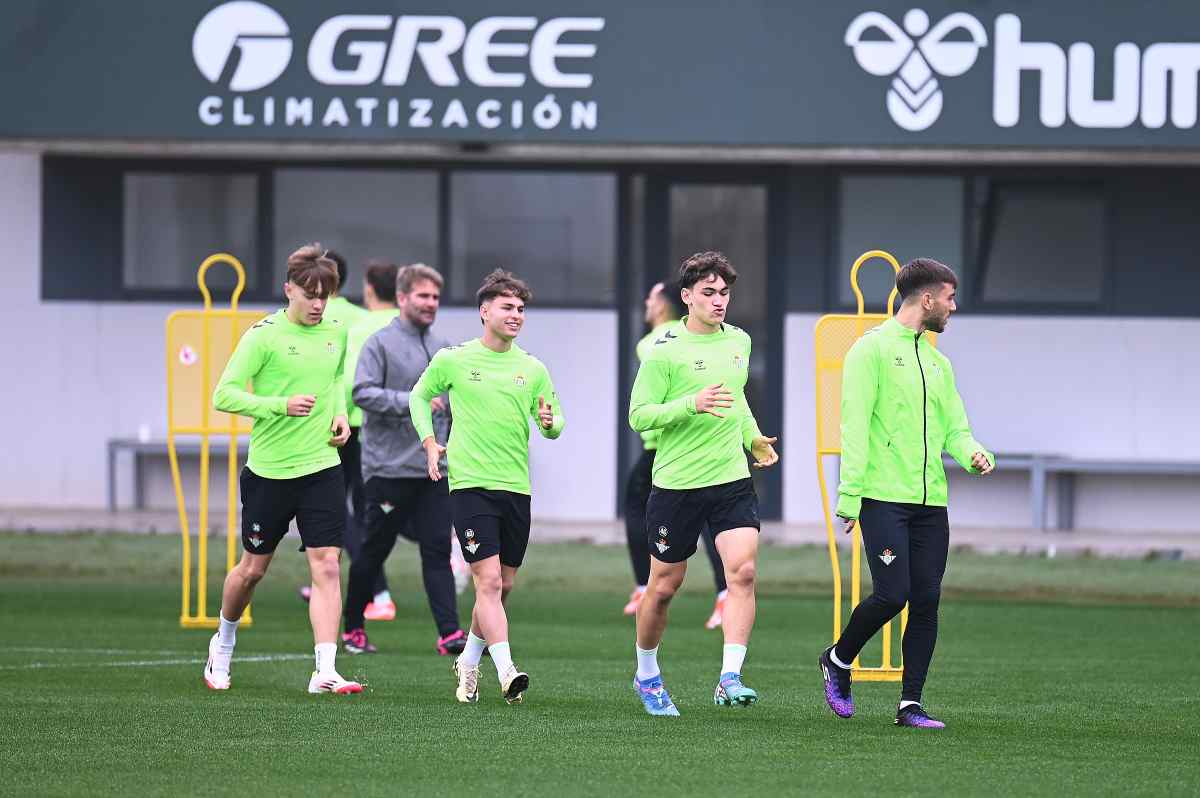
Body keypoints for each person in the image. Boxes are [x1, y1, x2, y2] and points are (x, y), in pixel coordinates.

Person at [819, 257, 993, 730]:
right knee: (893, 594)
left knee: (928, 598)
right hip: (881, 497)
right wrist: (849, 497)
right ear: (928, 298)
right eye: (950, 298)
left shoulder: (938, 363)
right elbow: (853, 426)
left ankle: (909, 704)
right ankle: (838, 658)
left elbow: (955, 428)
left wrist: (974, 452)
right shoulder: (869, 351)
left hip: (930, 503)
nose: (954, 308)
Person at [203, 243, 361, 695]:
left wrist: (338, 414)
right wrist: (279, 406)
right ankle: (223, 641)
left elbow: (332, 379)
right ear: (287, 288)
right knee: (252, 570)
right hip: (270, 472)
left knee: (328, 565)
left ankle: (325, 671)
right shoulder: (262, 336)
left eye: (325, 295)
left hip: (322, 467)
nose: (317, 304)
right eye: (309, 294)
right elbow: (224, 395)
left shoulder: (336, 332)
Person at [627, 251, 779, 716]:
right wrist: (690, 404)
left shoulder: (739, 342)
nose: (719, 301)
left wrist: (752, 438)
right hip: (676, 485)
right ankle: (647, 674)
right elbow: (639, 416)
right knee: (665, 587)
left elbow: (735, 402)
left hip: (730, 479)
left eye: (725, 293)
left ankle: (729, 676)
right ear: (687, 297)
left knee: (744, 573)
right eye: (709, 293)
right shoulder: (663, 350)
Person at [410, 269, 565, 705]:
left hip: (516, 487)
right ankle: (507, 670)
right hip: (470, 485)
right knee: (489, 582)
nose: (516, 315)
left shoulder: (532, 368)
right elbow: (418, 397)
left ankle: (468, 662)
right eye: (507, 307)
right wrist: (429, 442)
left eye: (521, 309)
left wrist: (551, 424)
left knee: (502, 586)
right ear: (484, 311)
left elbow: (555, 422)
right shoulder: (453, 359)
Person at [342, 264, 466, 657]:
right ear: (401, 298)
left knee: (436, 549)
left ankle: (450, 634)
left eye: (435, 297)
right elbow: (362, 393)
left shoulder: (444, 348)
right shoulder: (379, 344)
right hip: (387, 469)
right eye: (423, 296)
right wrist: (413, 401)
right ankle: (352, 628)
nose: (431, 304)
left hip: (433, 469)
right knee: (374, 549)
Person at [623, 280, 730, 629]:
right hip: (702, 448)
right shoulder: (707, 337)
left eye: (652, 297)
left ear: (666, 304)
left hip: (666, 449)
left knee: (639, 507)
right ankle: (725, 595)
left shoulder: (653, 343)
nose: (646, 302)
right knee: (712, 524)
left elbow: (650, 403)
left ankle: (644, 586)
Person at [298, 250, 369, 606]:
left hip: (326, 425)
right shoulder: (362, 316)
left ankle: (359, 580)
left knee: (332, 508)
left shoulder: (316, 320)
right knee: (357, 505)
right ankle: (358, 581)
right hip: (362, 422)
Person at [338, 260, 400, 621]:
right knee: (372, 507)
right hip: (404, 428)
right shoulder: (406, 326)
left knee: (344, 509)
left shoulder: (360, 325)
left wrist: (339, 417)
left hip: (358, 428)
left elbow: (349, 382)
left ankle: (377, 592)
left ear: (369, 288)